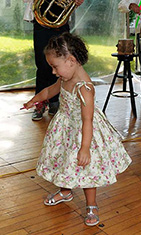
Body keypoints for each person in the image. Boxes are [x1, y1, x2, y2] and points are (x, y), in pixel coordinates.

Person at [23, 33, 132, 226]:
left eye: (55, 66)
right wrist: (35, 99)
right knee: (64, 160)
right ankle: (65, 191)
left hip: (83, 131)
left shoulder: (85, 88)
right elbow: (50, 90)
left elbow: (87, 120)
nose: (54, 72)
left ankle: (92, 205)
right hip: (65, 128)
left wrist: (85, 147)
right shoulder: (66, 77)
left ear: (71, 60)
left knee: (85, 170)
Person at [23, 0, 84, 121]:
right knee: (42, 64)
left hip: (61, 22)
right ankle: (39, 103)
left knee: (62, 62)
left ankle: (55, 101)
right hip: (42, 22)